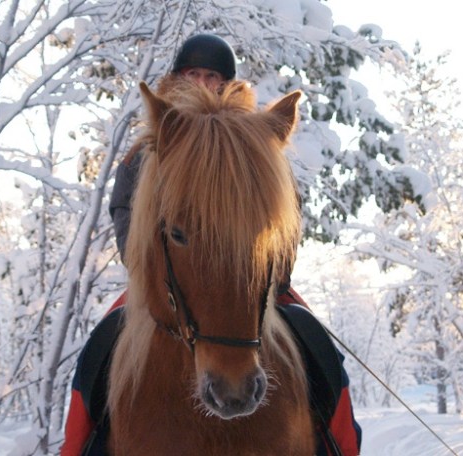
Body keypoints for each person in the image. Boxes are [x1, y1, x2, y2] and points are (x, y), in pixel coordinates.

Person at [62, 33, 361, 456]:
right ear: (177, 78)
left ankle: (341, 445)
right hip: (170, 280)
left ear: (227, 84)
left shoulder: (253, 144)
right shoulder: (155, 141)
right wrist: (146, 268)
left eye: (213, 76)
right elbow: (124, 211)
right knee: (97, 352)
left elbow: (282, 220)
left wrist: (272, 270)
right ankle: (75, 446)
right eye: (193, 74)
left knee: (317, 347)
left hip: (252, 282)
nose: (203, 83)